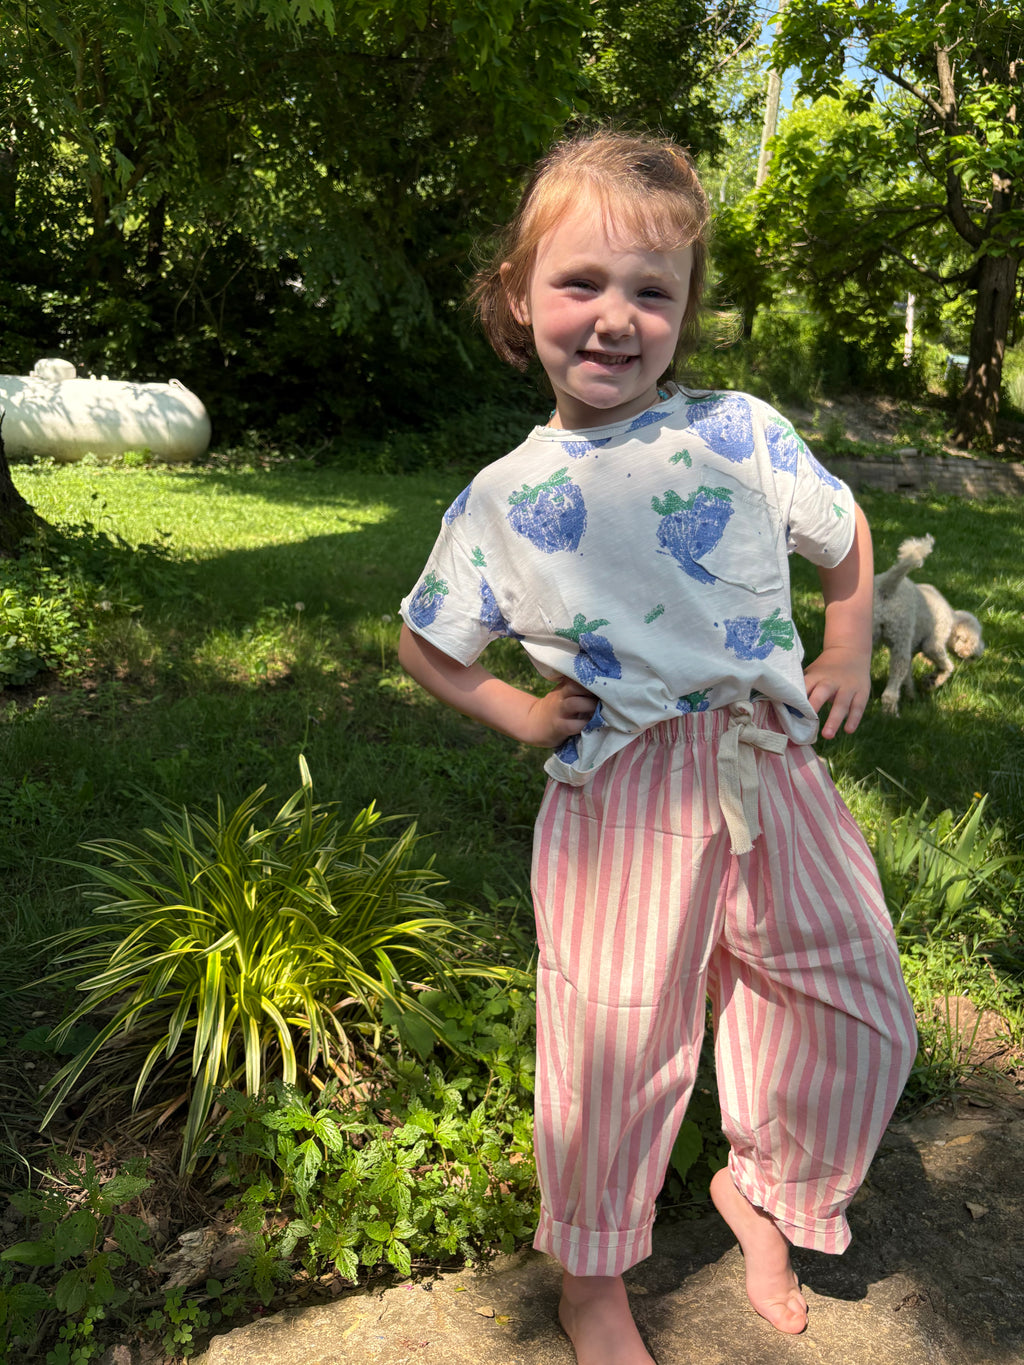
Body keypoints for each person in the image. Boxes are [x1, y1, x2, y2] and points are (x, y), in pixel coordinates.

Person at [398, 130, 917, 1365]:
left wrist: (846, 647)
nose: (616, 318)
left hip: (765, 765)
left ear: (685, 313)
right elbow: (428, 642)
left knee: (856, 1003)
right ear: (520, 301)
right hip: (622, 796)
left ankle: (771, 1188)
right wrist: (519, 713)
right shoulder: (499, 499)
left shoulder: (739, 432)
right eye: (582, 284)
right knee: (615, 1034)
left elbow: (842, 534)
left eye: (653, 292)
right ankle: (590, 1276)